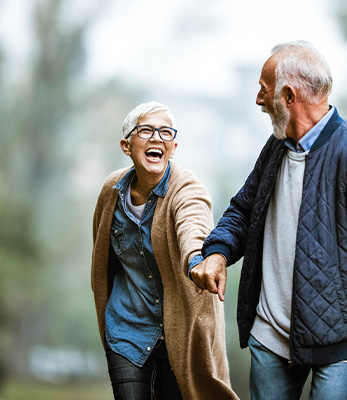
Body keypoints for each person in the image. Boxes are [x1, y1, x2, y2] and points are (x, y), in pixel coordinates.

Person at [190, 41, 347, 400]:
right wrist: (217, 252)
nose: (258, 100)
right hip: (270, 336)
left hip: (344, 343)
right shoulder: (276, 147)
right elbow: (244, 210)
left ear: (289, 96)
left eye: (263, 90)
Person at [91, 101, 239, 400]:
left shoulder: (186, 188)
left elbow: (193, 226)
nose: (156, 138)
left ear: (173, 147)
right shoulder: (112, 191)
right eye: (146, 130)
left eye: (165, 132)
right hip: (126, 328)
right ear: (126, 144)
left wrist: (197, 259)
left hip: (179, 333)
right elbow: (102, 257)